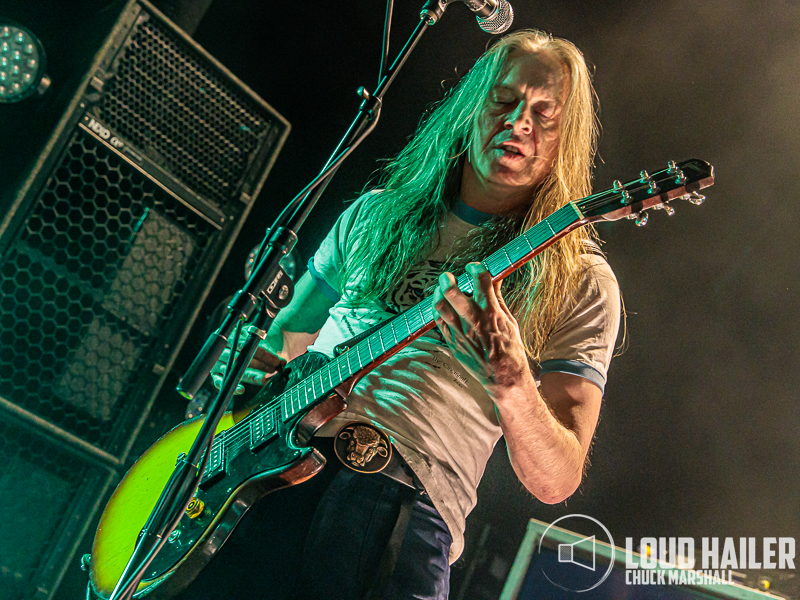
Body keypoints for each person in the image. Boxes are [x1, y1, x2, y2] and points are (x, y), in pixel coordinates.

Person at [187, 28, 620, 600]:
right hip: (266, 475)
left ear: (567, 138)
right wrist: (248, 370)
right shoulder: (373, 214)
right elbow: (287, 333)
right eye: (504, 100)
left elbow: (556, 480)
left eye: (545, 114)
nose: (519, 122)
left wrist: (512, 380)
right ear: (470, 107)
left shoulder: (581, 278)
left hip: (402, 505)